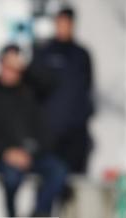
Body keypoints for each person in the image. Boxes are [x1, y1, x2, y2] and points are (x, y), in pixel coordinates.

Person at [0, 45, 68, 218]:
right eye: (7, 66)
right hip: (6, 156)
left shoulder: (31, 94)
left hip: (34, 154)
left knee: (58, 170)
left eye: (15, 67)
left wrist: (32, 152)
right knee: (11, 177)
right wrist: (6, 152)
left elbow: (52, 84)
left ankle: (38, 216)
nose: (10, 72)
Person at [25, 5, 95, 174]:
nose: (63, 26)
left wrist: (85, 115)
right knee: (52, 177)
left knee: (74, 178)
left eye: (67, 23)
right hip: (50, 132)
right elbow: (33, 87)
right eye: (60, 22)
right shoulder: (44, 52)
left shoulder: (81, 55)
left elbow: (87, 87)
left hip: (75, 132)